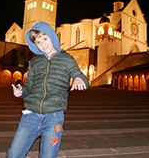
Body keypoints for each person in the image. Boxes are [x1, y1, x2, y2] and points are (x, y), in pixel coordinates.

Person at [7, 22, 90, 158]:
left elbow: (79, 75)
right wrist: (21, 91)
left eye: (45, 38)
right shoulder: (34, 63)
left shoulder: (66, 59)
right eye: (38, 42)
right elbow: (28, 86)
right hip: (30, 115)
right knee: (14, 154)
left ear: (52, 36)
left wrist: (79, 79)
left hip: (54, 117)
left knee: (48, 155)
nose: (43, 44)